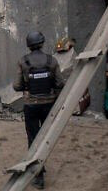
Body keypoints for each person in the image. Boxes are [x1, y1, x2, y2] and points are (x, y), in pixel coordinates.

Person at [13, 31, 64, 189]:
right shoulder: (52, 60)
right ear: (42, 43)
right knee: (46, 138)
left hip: (31, 106)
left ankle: (38, 175)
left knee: (33, 139)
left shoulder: (23, 61)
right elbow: (59, 84)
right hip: (48, 104)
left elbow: (17, 86)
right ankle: (41, 166)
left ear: (29, 45)